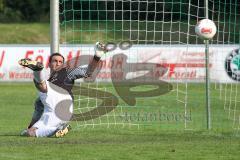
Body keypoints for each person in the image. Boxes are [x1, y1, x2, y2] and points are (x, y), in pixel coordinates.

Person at [19, 42, 108, 138]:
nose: (58, 63)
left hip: (64, 98)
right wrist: (30, 126)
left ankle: (37, 69)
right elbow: (38, 109)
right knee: (29, 133)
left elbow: (88, 72)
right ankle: (60, 128)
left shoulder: (68, 72)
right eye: (55, 61)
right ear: (49, 64)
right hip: (58, 113)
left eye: (60, 62)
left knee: (42, 86)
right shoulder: (47, 86)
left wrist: (97, 56)